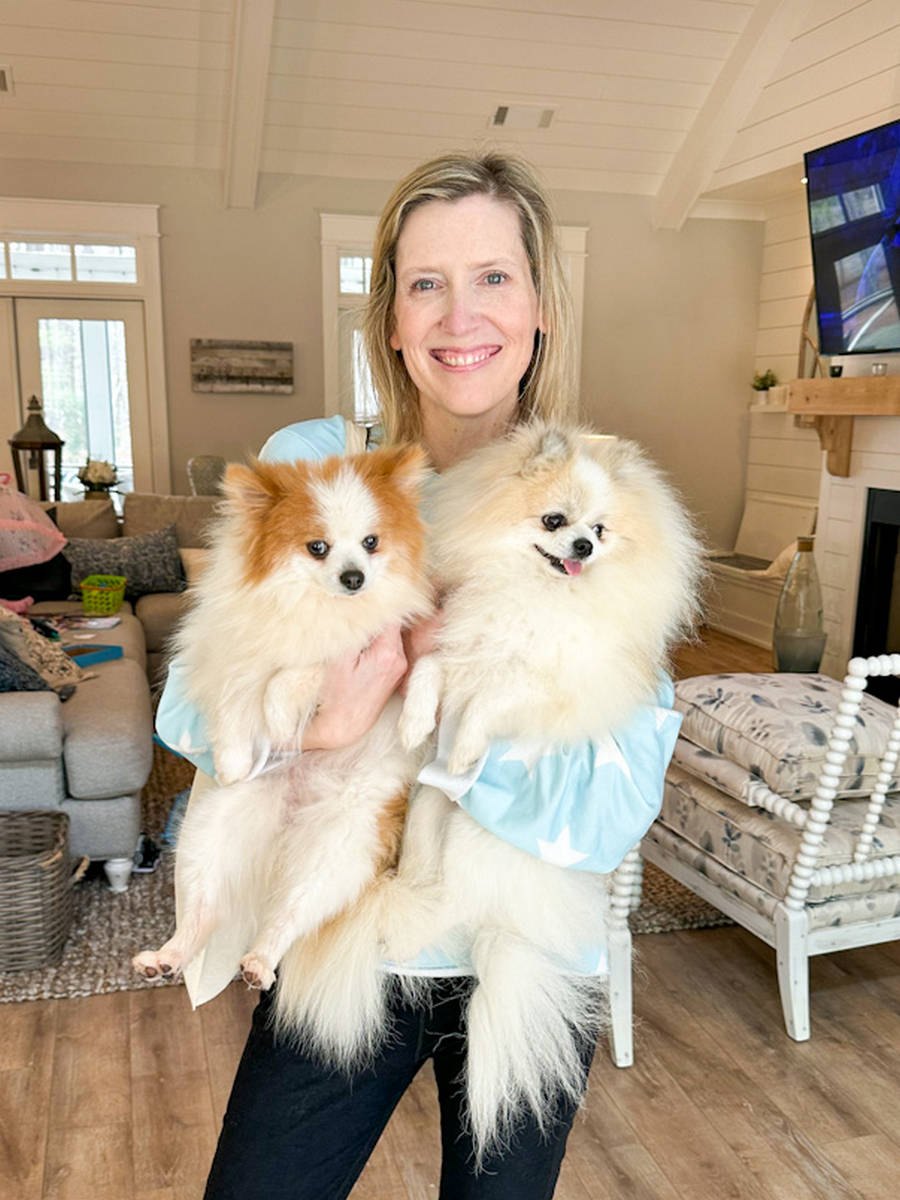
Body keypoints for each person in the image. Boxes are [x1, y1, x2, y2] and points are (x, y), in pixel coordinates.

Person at [156, 151, 683, 1199]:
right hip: (348, 940)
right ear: (390, 319)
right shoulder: (324, 462)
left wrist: (447, 719)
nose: (459, 315)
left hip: (523, 949)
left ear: (539, 308)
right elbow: (188, 704)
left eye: (494, 276)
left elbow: (617, 804)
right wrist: (323, 722)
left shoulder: (599, 501)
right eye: (425, 282)